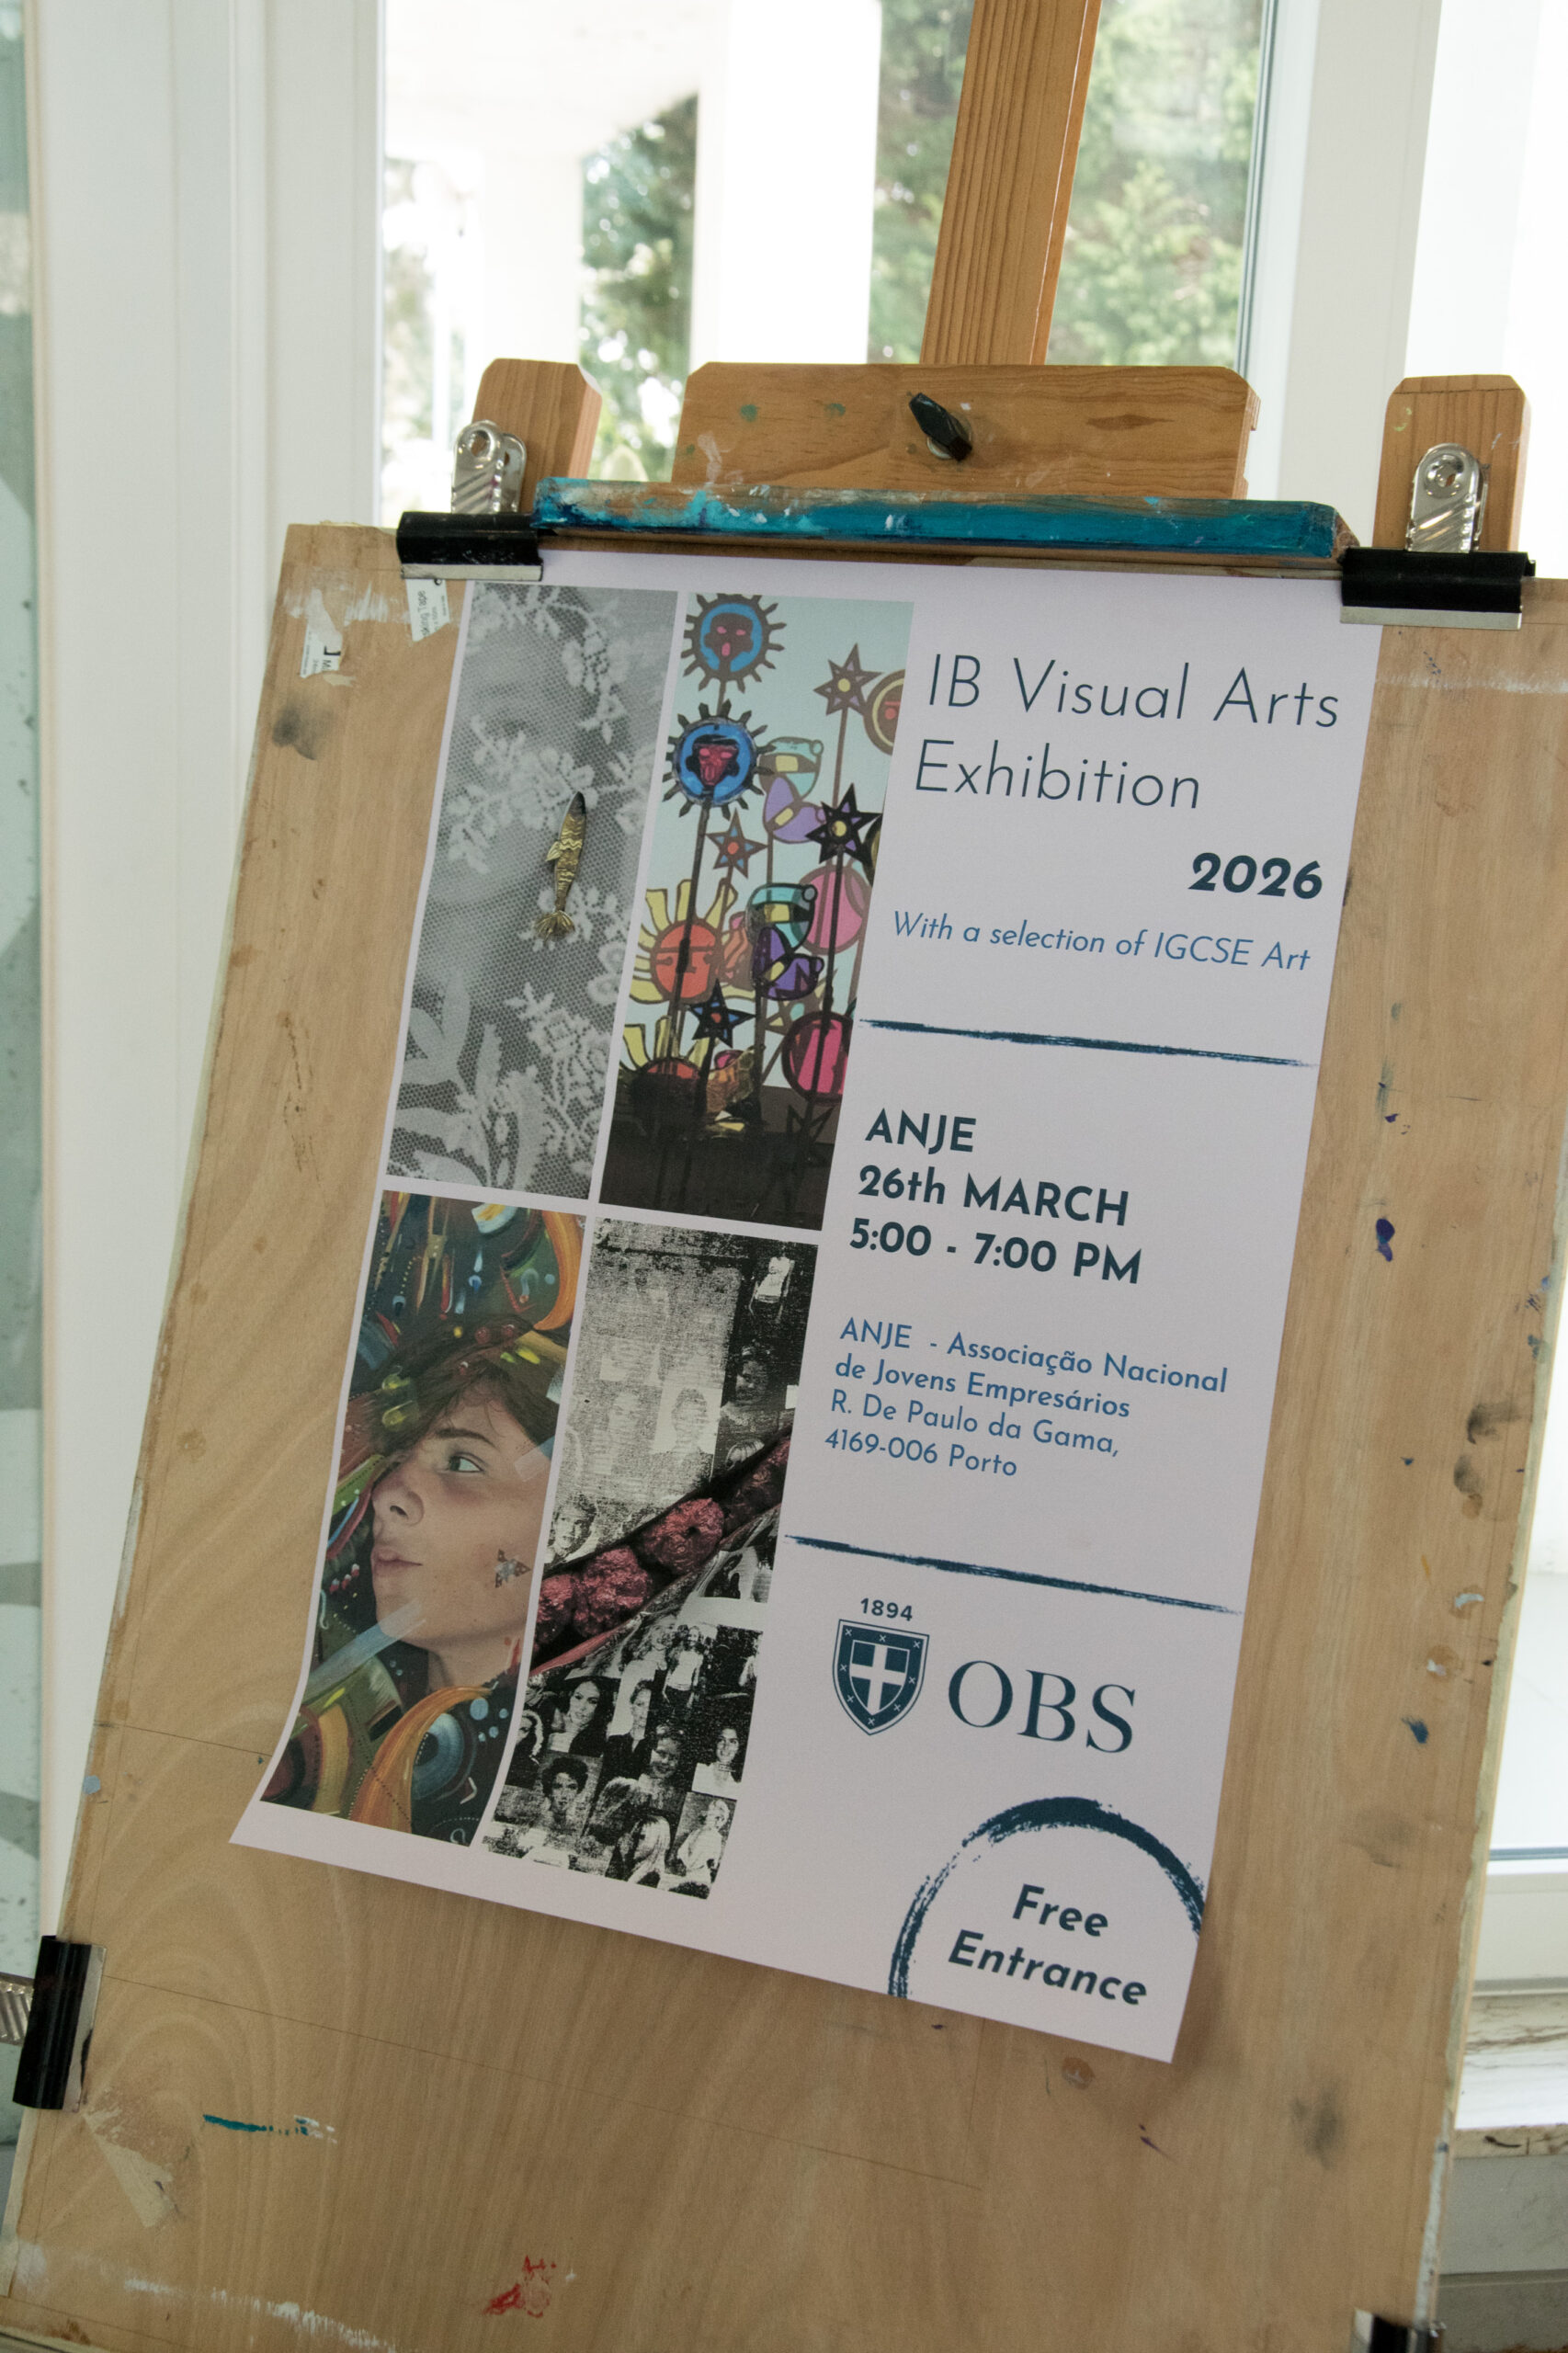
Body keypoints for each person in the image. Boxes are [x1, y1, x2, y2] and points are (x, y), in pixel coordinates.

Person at [509, 1756, 588, 1868]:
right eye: (558, 1787)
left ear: (578, 1791)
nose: (564, 1794)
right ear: (549, 1790)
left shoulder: (575, 1827)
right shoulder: (533, 1821)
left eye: (571, 1787)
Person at [664, 1797, 732, 1893]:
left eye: (711, 1814)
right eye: (708, 1812)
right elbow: (681, 1852)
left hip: (699, 1879)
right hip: (686, 1875)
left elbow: (701, 1862)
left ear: (719, 1819)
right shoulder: (695, 1832)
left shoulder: (715, 1837)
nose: (707, 1816)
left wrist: (686, 1864)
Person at [599, 1679, 653, 1785]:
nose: (645, 1711)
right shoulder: (613, 1741)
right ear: (632, 1707)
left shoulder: (657, 1749)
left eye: (650, 1706)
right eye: (640, 1704)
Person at [543, 1676, 608, 1758]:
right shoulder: (548, 1723)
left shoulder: (603, 1737)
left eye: (592, 1702)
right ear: (570, 1697)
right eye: (578, 1697)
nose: (582, 1706)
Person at [693, 1721, 743, 1796]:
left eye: (733, 1742)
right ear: (715, 1743)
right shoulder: (700, 1770)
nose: (726, 1746)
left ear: (738, 1748)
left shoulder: (740, 1782)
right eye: (721, 1740)